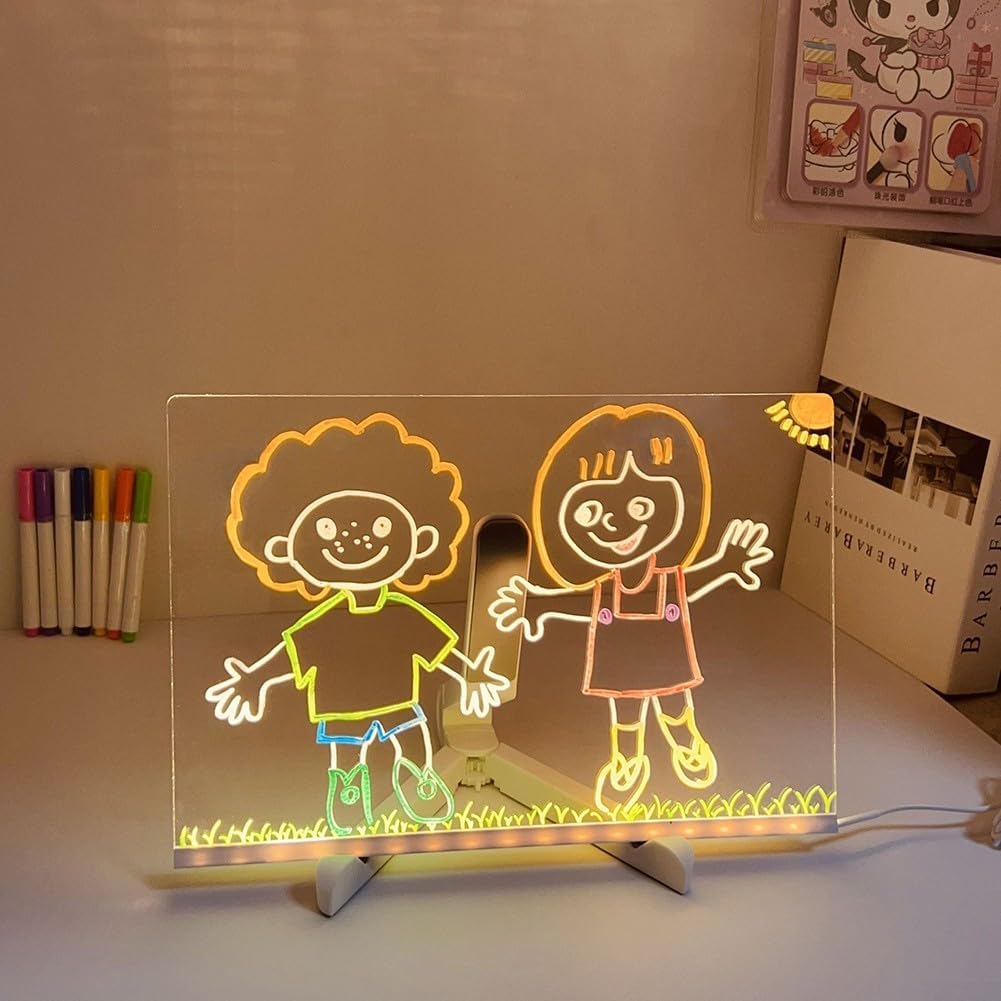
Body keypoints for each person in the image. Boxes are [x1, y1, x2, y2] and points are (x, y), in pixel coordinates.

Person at [205, 413, 508, 835]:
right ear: (284, 550)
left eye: (382, 526)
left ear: (422, 541)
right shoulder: (324, 623)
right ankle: (348, 798)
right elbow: (292, 654)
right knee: (349, 758)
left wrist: (474, 675)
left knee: (411, 747)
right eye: (327, 528)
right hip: (343, 707)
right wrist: (254, 680)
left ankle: (421, 783)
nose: (354, 537)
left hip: (398, 701)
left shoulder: (404, 614)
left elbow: (442, 651)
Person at [489, 404, 772, 813]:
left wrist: (728, 564)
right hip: (620, 665)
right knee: (625, 715)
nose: (614, 523)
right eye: (591, 511)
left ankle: (685, 742)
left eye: (641, 506)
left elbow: (699, 579)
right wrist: (538, 607)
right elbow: (577, 608)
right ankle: (626, 763)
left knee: (673, 705)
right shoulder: (605, 586)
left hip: (665, 659)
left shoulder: (669, 579)